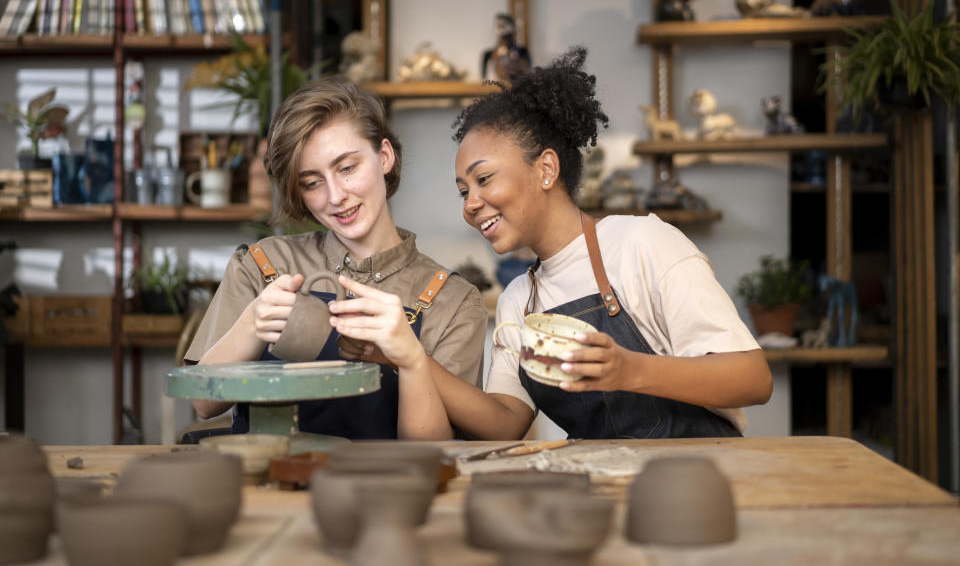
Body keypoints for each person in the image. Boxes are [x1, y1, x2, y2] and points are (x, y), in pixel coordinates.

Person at [342, 47, 772, 439]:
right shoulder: (519, 301)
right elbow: (505, 421)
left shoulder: (641, 244)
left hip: (696, 484)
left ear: (546, 169)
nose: (471, 204)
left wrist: (629, 369)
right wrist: (406, 356)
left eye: (484, 179)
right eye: (462, 190)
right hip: (601, 491)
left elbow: (752, 378)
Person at [185, 76, 487, 440]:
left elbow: (432, 452)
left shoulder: (452, 301)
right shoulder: (261, 264)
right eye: (312, 183)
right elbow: (203, 405)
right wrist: (253, 323)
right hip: (270, 491)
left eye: (347, 168)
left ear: (385, 157)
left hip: (385, 493)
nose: (335, 196)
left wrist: (410, 359)